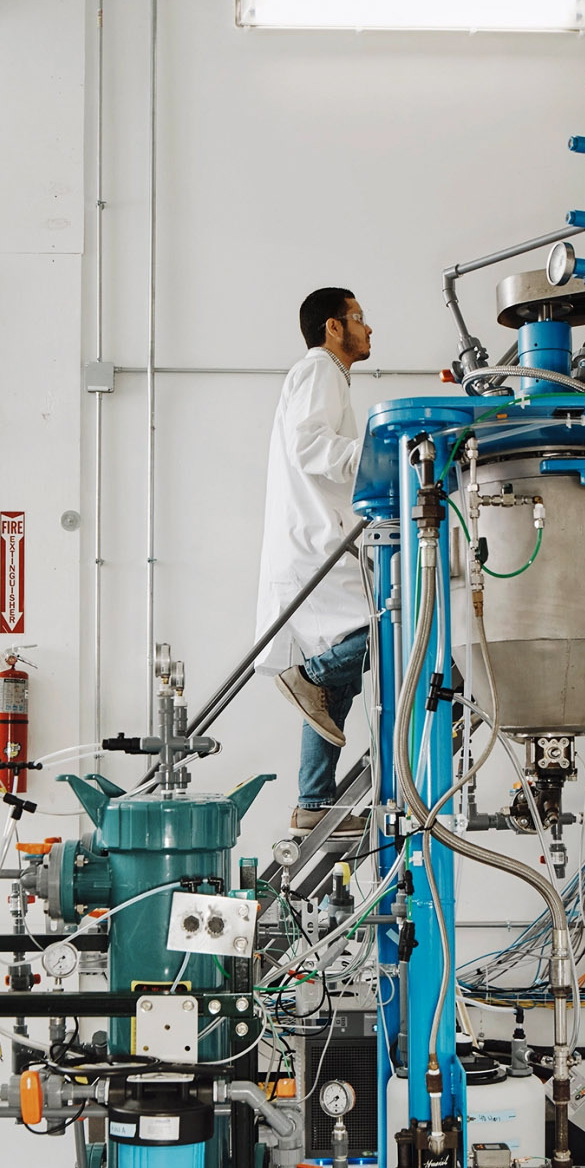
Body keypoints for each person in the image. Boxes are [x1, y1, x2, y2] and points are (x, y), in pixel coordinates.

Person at [255, 287, 374, 831]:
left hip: (316, 539)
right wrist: (382, 454)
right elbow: (311, 445)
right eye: (359, 319)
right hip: (316, 544)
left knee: (331, 696)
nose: (368, 329)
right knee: (385, 630)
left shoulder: (324, 375)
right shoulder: (321, 368)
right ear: (333, 327)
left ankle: (314, 802)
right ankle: (311, 675)